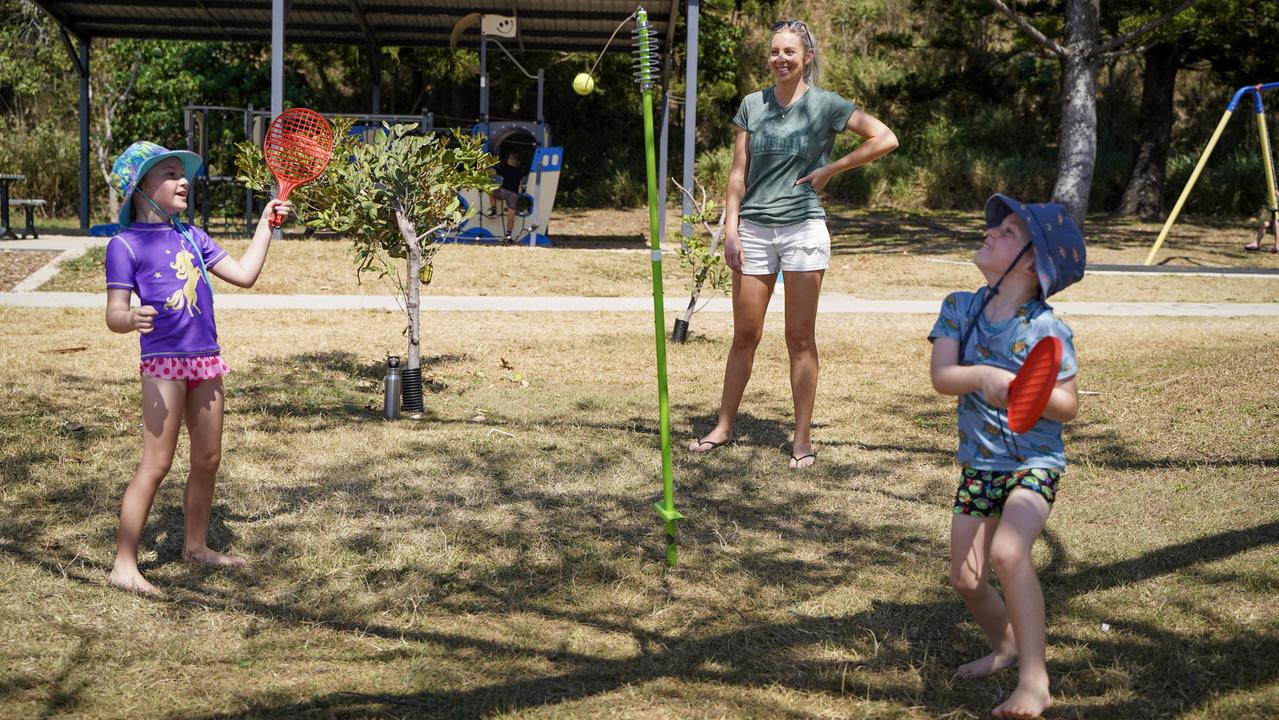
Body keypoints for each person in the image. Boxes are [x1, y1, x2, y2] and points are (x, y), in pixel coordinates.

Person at [688, 19, 898, 469]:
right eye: (774, 51)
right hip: (755, 231)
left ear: (807, 57)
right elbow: (737, 173)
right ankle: (724, 426)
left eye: (789, 52)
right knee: (745, 335)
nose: (780, 59)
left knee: (799, 337)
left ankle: (801, 440)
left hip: (803, 228)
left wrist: (830, 169)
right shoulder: (752, 105)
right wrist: (731, 229)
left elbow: (885, 138)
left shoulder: (825, 105)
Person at [104, 141, 291, 594]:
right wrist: (130, 319)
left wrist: (266, 225)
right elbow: (114, 314)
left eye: (182, 173)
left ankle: (196, 546)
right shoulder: (123, 244)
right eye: (169, 173)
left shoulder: (193, 236)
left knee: (207, 458)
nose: (183, 179)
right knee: (157, 463)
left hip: (206, 360)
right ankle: (123, 565)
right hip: (162, 365)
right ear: (142, 187)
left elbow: (245, 275)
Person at [928, 195, 1086, 719]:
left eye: (1009, 233)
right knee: (966, 579)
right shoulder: (959, 307)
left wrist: (1026, 389)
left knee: (1010, 553)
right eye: (996, 227)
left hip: (1033, 465)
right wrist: (984, 377)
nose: (991, 232)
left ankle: (1034, 682)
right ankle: (1007, 646)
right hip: (980, 465)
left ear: (1033, 266)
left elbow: (1068, 407)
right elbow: (942, 377)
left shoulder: (1046, 329)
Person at [489, 152, 527, 242]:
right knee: (511, 216)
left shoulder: (504, 169)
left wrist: (487, 167)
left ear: (509, 160)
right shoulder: (520, 171)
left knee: (490, 189)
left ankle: (494, 209)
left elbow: (494, 172)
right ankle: (508, 235)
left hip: (504, 192)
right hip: (514, 194)